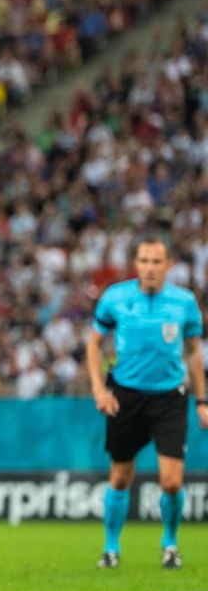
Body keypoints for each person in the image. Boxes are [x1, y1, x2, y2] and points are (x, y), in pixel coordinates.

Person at [86, 235, 208, 570]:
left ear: (169, 265)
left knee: (171, 481)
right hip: (125, 397)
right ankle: (111, 549)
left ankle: (170, 544)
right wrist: (99, 389)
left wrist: (202, 400)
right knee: (121, 477)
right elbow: (94, 344)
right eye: (144, 261)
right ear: (135, 264)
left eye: (157, 261)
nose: (150, 268)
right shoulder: (116, 298)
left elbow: (194, 351)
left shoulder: (184, 303)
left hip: (169, 397)